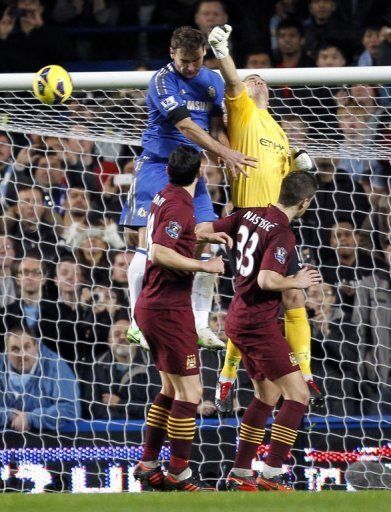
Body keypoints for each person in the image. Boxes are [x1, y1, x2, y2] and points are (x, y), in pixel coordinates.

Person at [208, 24, 322, 413]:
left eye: (260, 79)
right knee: (253, 298)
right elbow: (234, 83)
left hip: (280, 223)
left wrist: (305, 166)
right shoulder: (244, 115)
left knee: (292, 295)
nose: (256, 80)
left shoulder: (280, 133)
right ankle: (226, 375)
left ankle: (304, 371)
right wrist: (223, 52)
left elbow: (299, 183)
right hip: (251, 220)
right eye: (250, 79)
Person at [119, 25, 256, 351]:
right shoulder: (162, 81)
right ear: (171, 54)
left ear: (203, 55)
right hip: (157, 165)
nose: (190, 67)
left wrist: (225, 155)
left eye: (195, 61)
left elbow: (214, 124)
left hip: (191, 173)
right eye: (184, 62)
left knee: (208, 237)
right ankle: (138, 321)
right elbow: (185, 125)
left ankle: (198, 322)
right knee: (144, 238)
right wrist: (224, 152)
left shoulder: (211, 81)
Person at [197, 171, 321, 490]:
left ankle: (240, 474)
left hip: (237, 317)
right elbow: (267, 280)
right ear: (305, 202)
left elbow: (202, 229)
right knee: (299, 394)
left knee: (266, 395)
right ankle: (271, 472)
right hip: (257, 324)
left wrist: (216, 241)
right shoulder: (282, 233)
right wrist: (298, 280)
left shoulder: (248, 213)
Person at [132, 145, 232, 491]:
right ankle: (178, 473)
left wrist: (203, 234)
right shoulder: (179, 204)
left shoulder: (165, 194)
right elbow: (159, 251)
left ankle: (147, 464)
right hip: (168, 309)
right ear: (199, 171)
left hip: (153, 305)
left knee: (170, 389)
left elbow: (171, 233)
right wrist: (204, 264)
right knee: (190, 392)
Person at [0, 326, 80, 432]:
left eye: (27, 347)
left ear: (36, 346)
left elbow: (71, 409)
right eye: (15, 349)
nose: (22, 354)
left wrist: (30, 418)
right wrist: (9, 415)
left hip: (49, 441)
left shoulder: (55, 366)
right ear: (6, 352)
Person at [90, 316, 160, 420]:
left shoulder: (154, 365)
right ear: (109, 342)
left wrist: (119, 404)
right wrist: (121, 422)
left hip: (144, 429)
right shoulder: (97, 366)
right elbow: (94, 407)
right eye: (117, 334)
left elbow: (158, 409)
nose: (123, 337)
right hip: (110, 430)